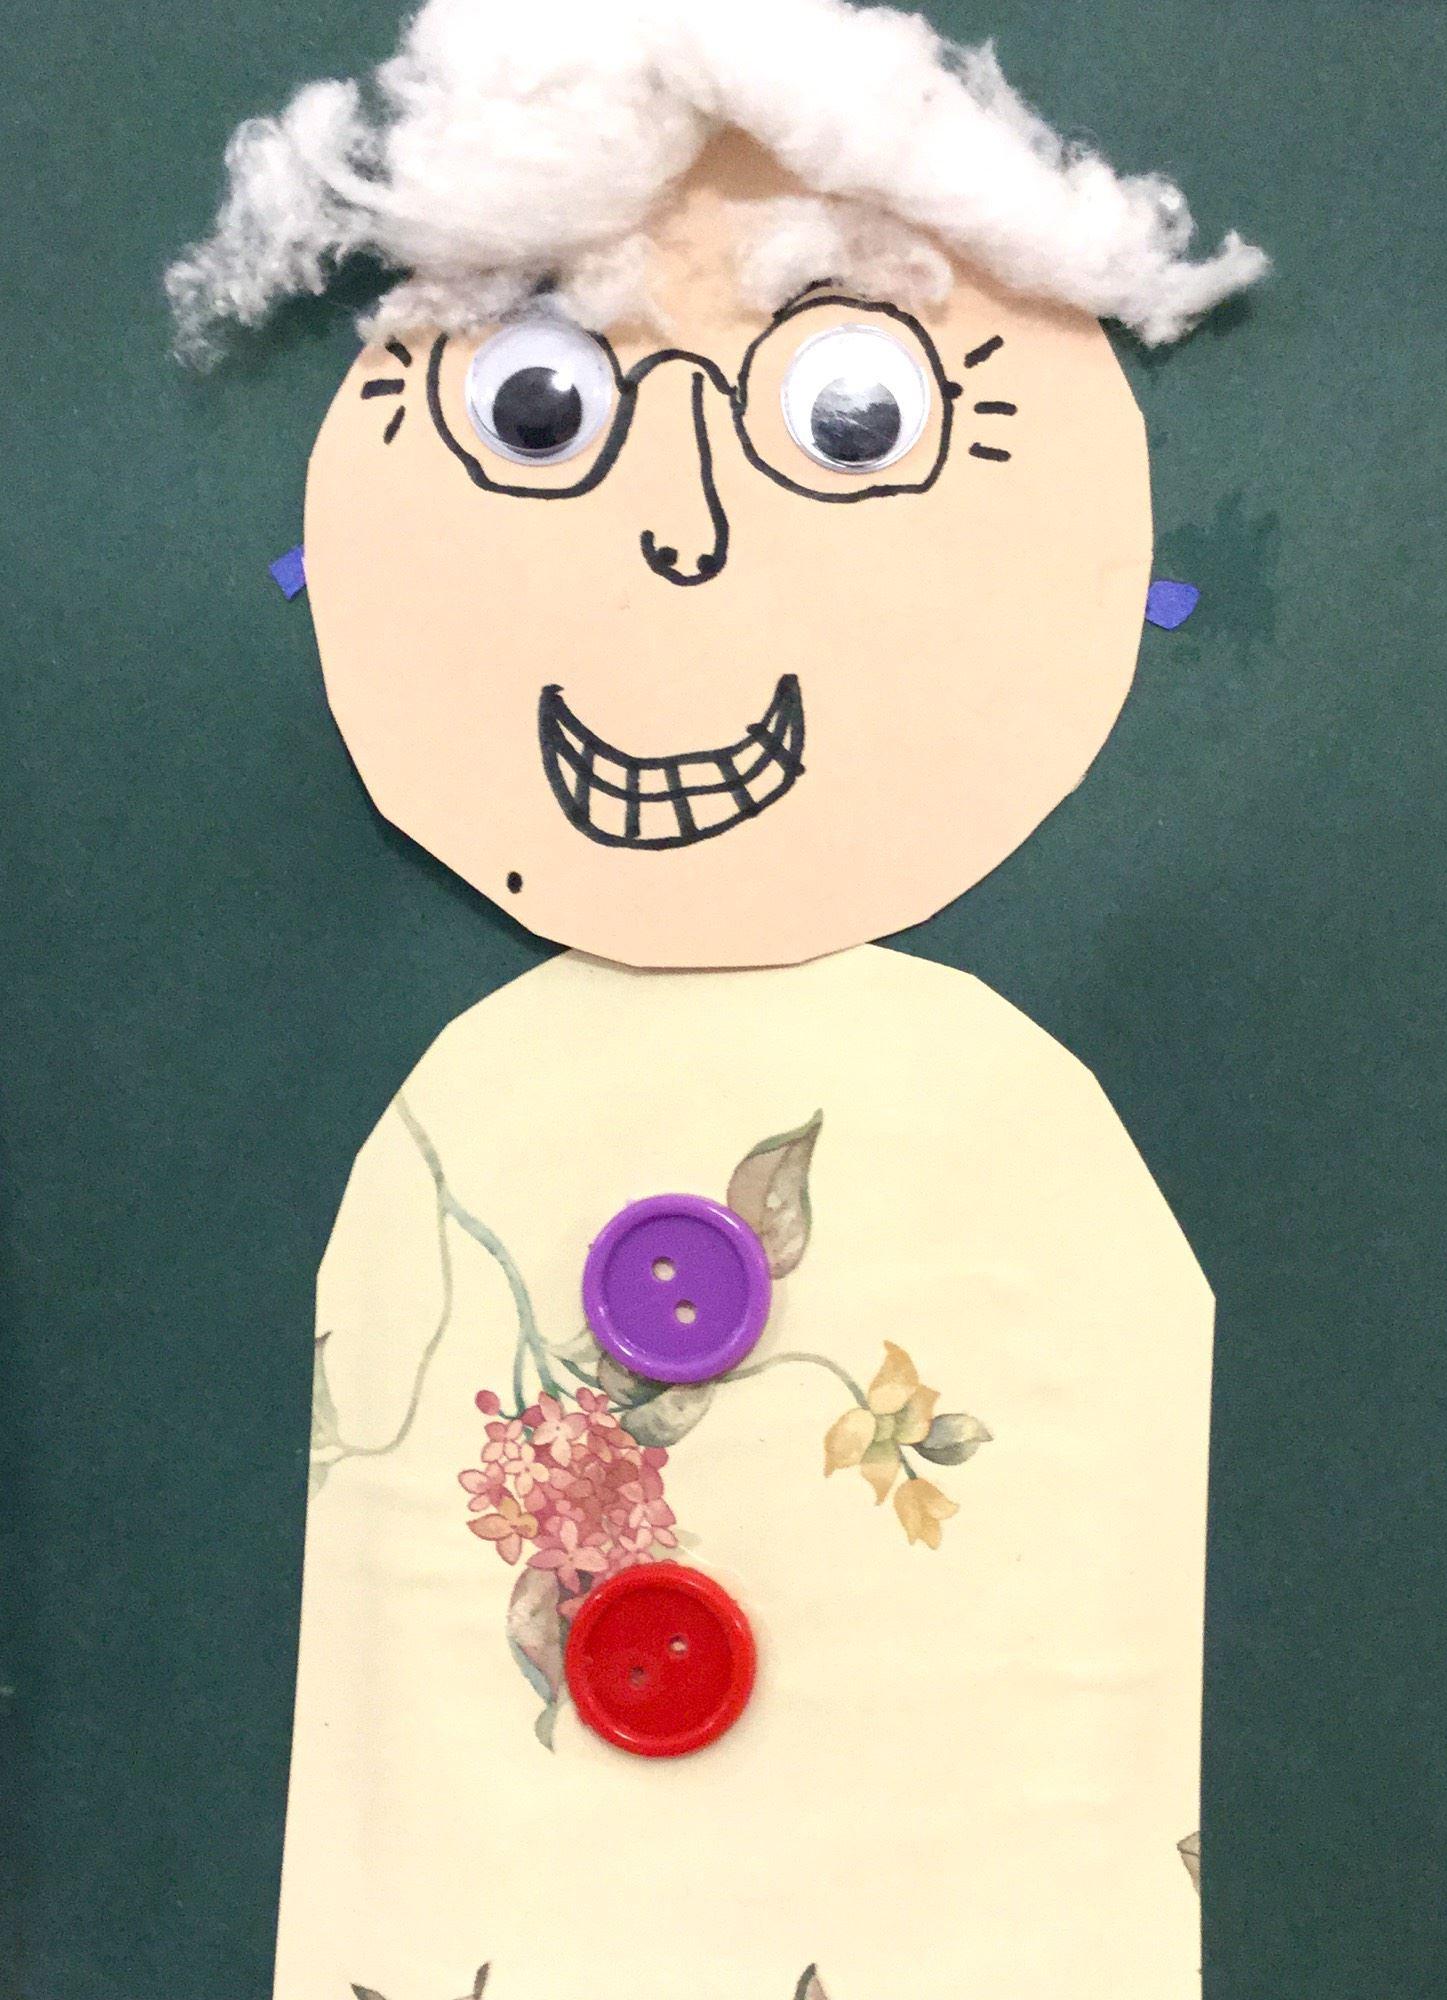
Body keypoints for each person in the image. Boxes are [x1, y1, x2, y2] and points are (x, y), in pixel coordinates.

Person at [169, 4, 1264, 1995]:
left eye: (851, 416)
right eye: (538, 410)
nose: (679, 534)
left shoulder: (1019, 1128)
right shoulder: (452, 1116)